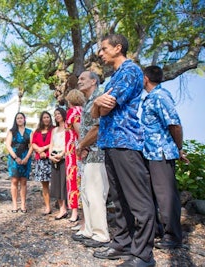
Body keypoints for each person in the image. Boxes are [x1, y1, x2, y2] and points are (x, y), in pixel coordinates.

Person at [91, 34, 156, 267]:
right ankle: (122, 244)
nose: (100, 53)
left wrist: (99, 103)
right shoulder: (114, 77)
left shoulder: (131, 71)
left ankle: (144, 255)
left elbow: (105, 109)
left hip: (126, 142)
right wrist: (98, 103)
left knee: (138, 201)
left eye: (103, 48)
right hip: (110, 142)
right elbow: (95, 112)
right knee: (119, 200)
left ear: (118, 48)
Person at [141, 65, 189, 250]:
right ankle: (156, 231)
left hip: (161, 152)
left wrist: (178, 149)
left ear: (145, 78)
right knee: (150, 194)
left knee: (166, 196)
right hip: (148, 153)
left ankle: (173, 236)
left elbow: (175, 124)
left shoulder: (161, 96)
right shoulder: (149, 99)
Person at [71, 71, 110, 248]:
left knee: (95, 195)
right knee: (86, 193)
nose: (79, 82)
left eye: (83, 79)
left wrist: (81, 146)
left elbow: (98, 127)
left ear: (93, 81)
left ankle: (101, 234)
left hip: (97, 153)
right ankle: (90, 230)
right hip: (88, 154)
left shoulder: (100, 97)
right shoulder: (88, 102)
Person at [5, 112, 33, 213]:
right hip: (14, 158)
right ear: (15, 120)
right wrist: (16, 157)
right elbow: (8, 145)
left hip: (26, 157)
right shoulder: (12, 131)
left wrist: (26, 158)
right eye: (18, 118)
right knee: (14, 181)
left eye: (21, 118)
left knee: (24, 182)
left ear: (24, 119)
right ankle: (14, 205)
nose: (19, 120)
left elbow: (32, 146)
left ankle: (23, 205)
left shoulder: (30, 132)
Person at [64, 89, 84, 222]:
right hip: (76, 150)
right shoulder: (83, 110)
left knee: (73, 182)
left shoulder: (73, 112)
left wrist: (81, 146)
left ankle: (75, 213)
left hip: (73, 151)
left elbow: (79, 131)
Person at [31, 111, 54, 215]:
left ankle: (62, 207)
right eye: (44, 117)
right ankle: (48, 207)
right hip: (40, 160)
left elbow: (55, 141)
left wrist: (44, 149)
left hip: (52, 158)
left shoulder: (54, 129)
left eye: (48, 117)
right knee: (44, 185)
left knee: (56, 183)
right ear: (41, 119)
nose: (46, 119)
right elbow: (33, 144)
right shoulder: (37, 131)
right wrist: (40, 151)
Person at [49, 107, 68, 220]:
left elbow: (70, 142)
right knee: (56, 184)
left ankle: (66, 207)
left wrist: (62, 154)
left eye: (59, 114)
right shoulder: (54, 130)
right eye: (55, 114)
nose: (57, 116)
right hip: (54, 157)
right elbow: (51, 143)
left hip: (64, 157)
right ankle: (62, 209)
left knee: (64, 183)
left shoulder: (68, 127)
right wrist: (51, 155)